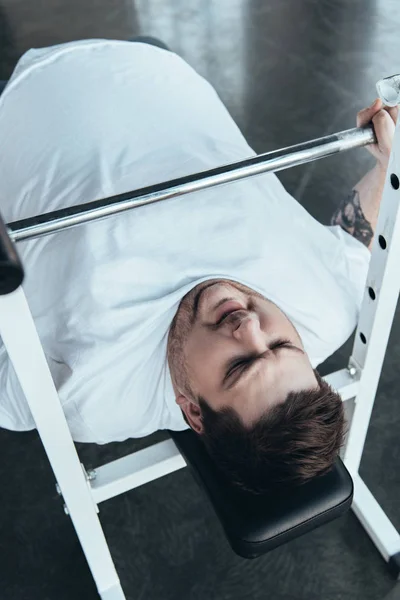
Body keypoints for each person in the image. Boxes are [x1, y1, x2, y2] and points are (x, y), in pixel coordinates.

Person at [0, 38, 397, 494]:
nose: (249, 326)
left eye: (239, 365)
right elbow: (356, 235)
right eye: (281, 344)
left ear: (191, 411)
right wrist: (392, 157)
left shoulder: (86, 398)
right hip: (156, 65)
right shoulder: (328, 311)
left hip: (27, 91)